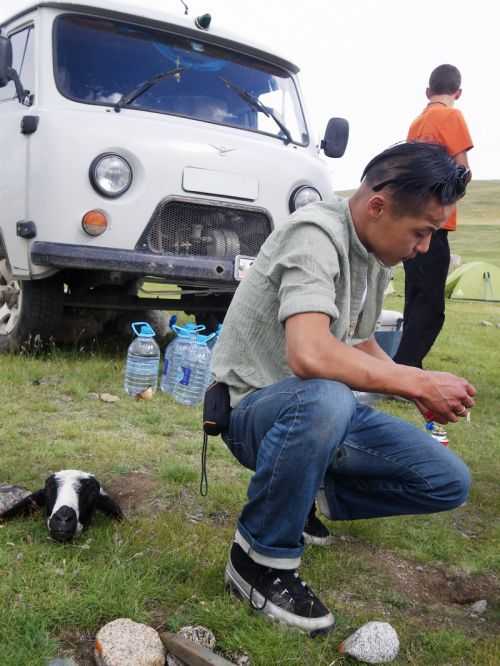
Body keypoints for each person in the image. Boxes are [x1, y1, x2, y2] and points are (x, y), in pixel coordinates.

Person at [211, 141, 475, 636]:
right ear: (377, 205)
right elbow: (309, 354)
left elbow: (358, 338)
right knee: (327, 392)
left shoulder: (373, 255)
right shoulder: (314, 234)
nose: (422, 249)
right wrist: (416, 377)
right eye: (421, 232)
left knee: (446, 480)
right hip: (253, 412)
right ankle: (258, 561)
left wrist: (411, 390)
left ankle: (305, 492)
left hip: (314, 413)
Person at [393, 65, 473, 445]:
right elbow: (462, 170)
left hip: (412, 220)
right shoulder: (451, 116)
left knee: (415, 299)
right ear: (458, 91)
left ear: (429, 90)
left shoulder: (417, 122)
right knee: (432, 308)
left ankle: (405, 367)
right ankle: (404, 371)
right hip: (435, 225)